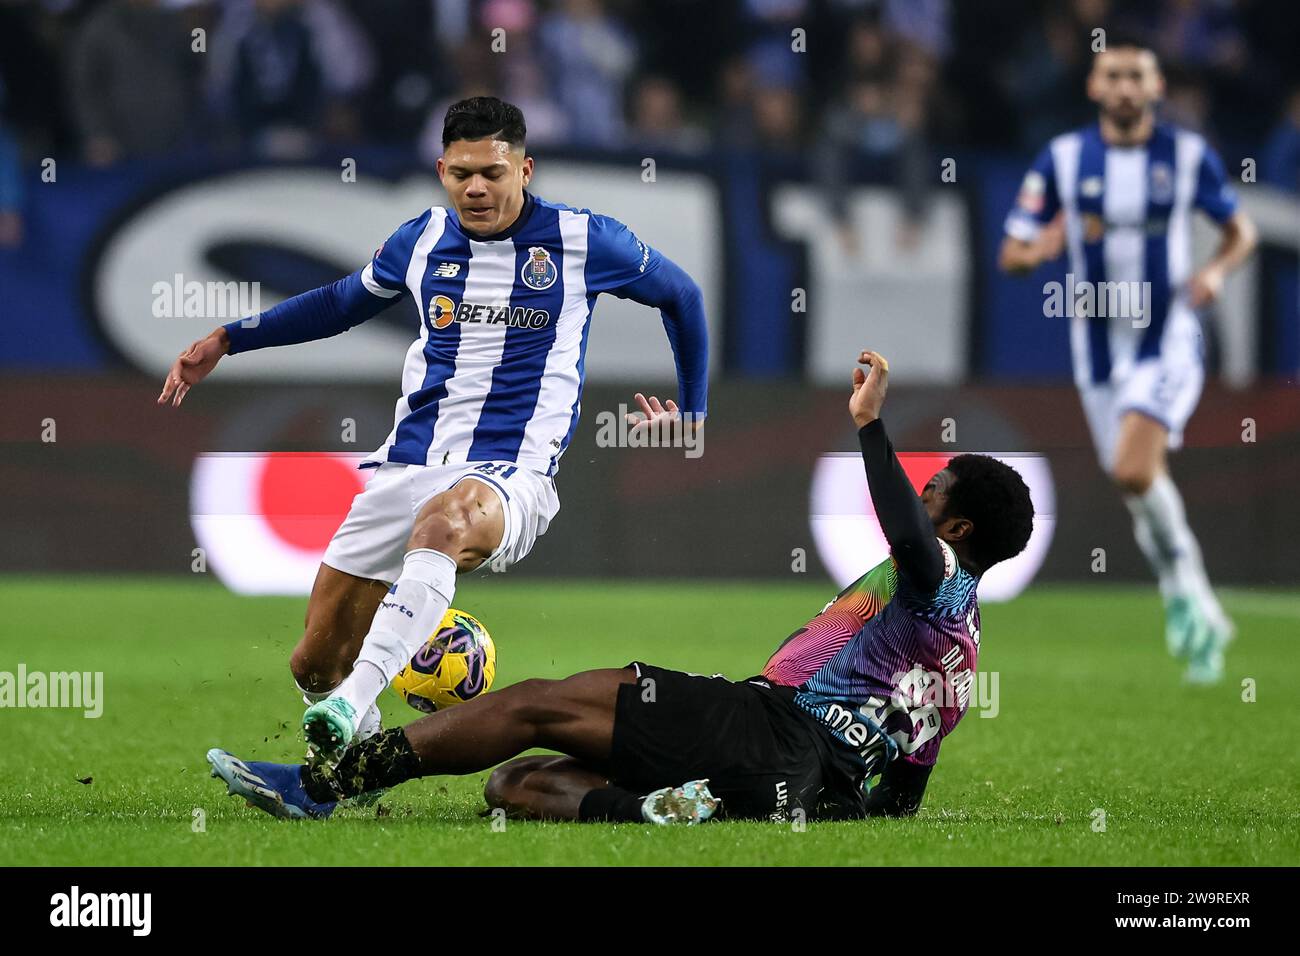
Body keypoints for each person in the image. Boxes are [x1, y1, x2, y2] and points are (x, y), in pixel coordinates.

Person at [206, 349, 1035, 824]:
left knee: (535, 699)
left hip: (767, 729)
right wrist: (812, 808)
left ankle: (321, 785)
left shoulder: (938, 574)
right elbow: (901, 801)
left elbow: (906, 538)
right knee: (516, 783)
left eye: (934, 494)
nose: (919, 498)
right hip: (793, 781)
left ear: (956, 532)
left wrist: (870, 427)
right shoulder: (959, 660)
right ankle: (666, 810)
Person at [160, 96, 709, 761]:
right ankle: (349, 760)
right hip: (408, 464)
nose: (476, 188)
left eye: (493, 173)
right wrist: (229, 338)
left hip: (512, 474)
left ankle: (353, 703)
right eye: (461, 173)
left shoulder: (584, 241)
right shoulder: (419, 240)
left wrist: (694, 410)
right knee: (313, 661)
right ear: (443, 171)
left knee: (445, 525)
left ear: (525, 170)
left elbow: (682, 295)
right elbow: (340, 304)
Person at [999, 33, 1256, 683]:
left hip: (1169, 335)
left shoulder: (1187, 155)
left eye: (1136, 76)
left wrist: (1220, 271)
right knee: (1135, 486)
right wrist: (1043, 247)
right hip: (1096, 353)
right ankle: (1197, 608)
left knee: (1136, 470)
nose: (1123, 87)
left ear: (1156, 87)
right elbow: (1013, 253)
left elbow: (1241, 230)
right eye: (1111, 75)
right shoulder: (1061, 158)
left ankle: (1188, 597)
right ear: (1093, 87)